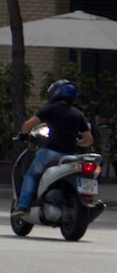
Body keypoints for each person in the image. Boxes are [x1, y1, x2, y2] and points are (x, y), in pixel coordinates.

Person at [14, 79, 93, 213]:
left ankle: (23, 206)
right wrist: (78, 143)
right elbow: (89, 140)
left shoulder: (50, 109)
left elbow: (27, 125)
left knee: (31, 175)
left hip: (51, 152)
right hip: (70, 156)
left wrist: (23, 135)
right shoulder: (78, 114)